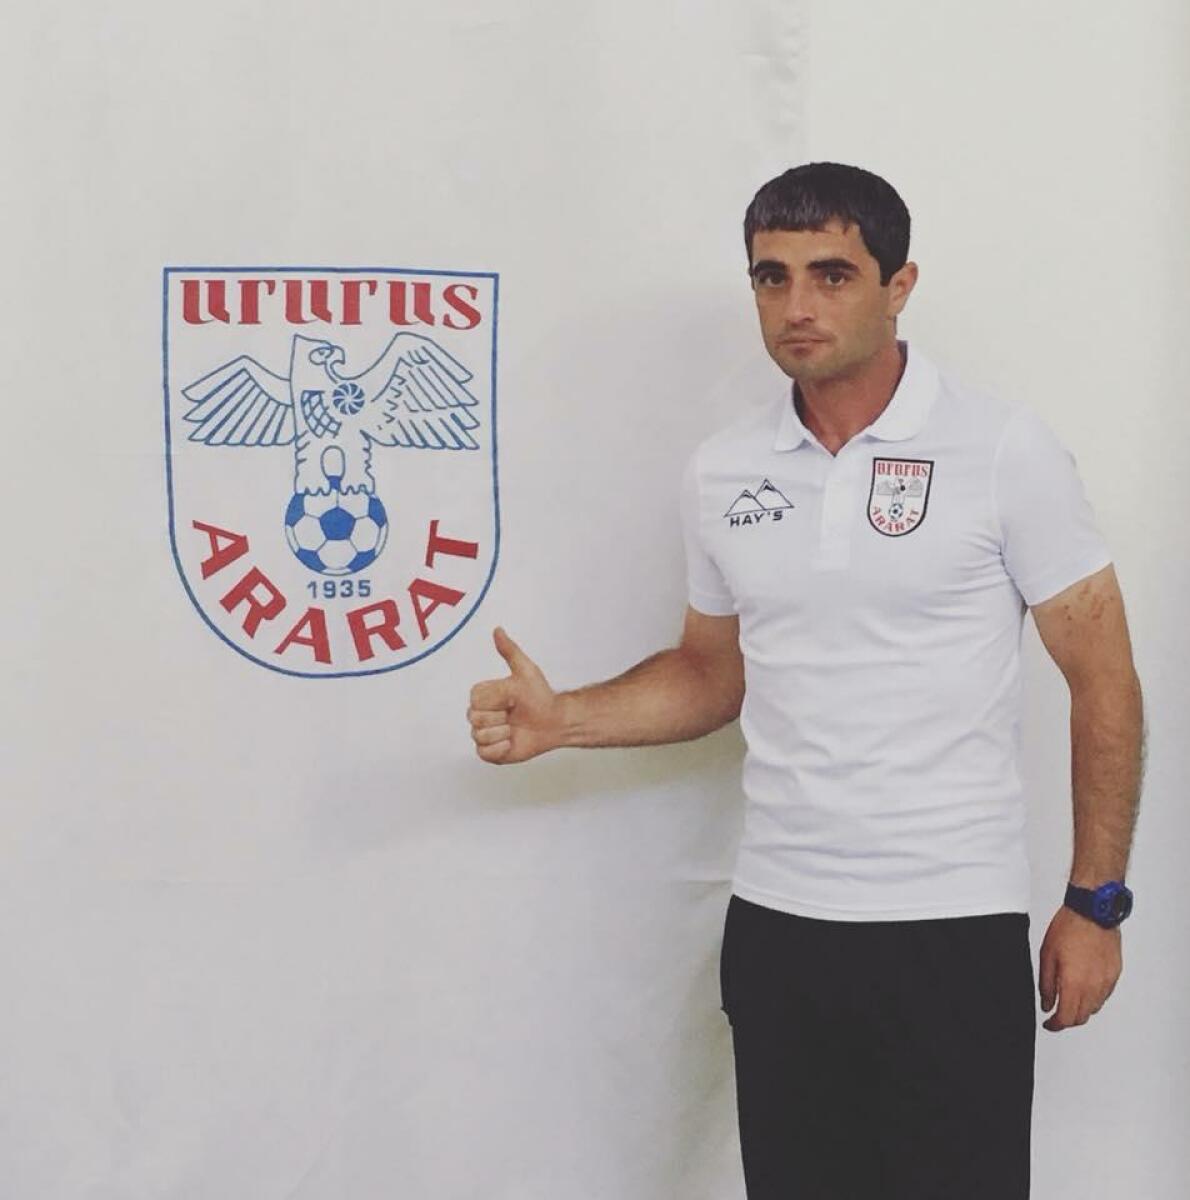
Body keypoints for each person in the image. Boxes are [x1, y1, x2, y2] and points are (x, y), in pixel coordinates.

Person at [466, 162, 1144, 1198]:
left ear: (898, 285)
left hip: (949, 924)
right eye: (770, 277)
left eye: (831, 274)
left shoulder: (1002, 449)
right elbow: (710, 673)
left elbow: (1103, 680)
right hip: (780, 927)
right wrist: (565, 720)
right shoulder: (725, 469)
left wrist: (1094, 903)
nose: (796, 306)